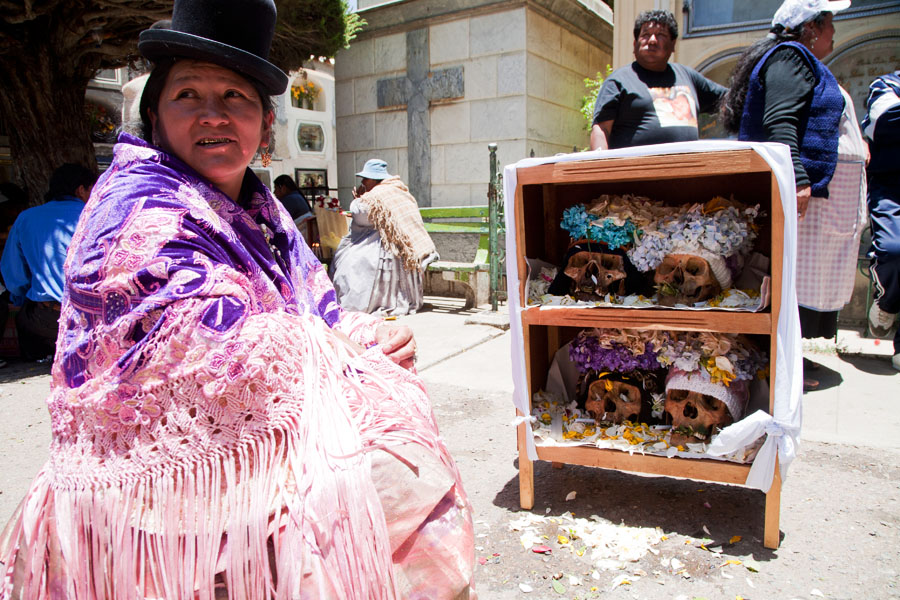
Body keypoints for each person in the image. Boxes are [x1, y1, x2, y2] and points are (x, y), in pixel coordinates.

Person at [0, 0, 474, 596]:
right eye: (188, 95)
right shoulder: (137, 206)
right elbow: (201, 342)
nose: (212, 116)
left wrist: (364, 333)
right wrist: (333, 350)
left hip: (251, 468)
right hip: (154, 494)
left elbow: (312, 306)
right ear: (155, 114)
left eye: (235, 98)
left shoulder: (261, 207)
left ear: (264, 124)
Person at [721, 0, 865, 392]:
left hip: (803, 192)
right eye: (831, 22)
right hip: (794, 188)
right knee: (781, 282)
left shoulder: (796, 58)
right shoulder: (790, 57)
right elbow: (780, 120)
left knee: (789, 283)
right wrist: (798, 179)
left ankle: (782, 363)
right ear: (812, 27)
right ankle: (775, 370)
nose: (836, 31)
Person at [589, 9, 727, 151]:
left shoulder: (687, 76)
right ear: (635, 44)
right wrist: (600, 166)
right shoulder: (618, 81)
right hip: (639, 171)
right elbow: (601, 129)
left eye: (660, 35)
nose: (652, 40)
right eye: (645, 35)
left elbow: (728, 100)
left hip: (687, 170)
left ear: (673, 44)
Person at [0, 164, 96, 361]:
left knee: (26, 320)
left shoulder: (26, 218)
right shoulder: (97, 215)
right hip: (95, 319)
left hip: (46, 319)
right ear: (80, 190)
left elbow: (14, 276)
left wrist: (20, 299)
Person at [329, 159, 438, 316]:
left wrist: (358, 200)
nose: (363, 182)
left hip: (394, 246)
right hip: (400, 243)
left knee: (354, 261)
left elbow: (362, 216)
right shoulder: (398, 190)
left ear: (374, 179)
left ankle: (365, 303)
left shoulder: (377, 195)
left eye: (366, 179)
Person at [861, 70, 900, 370]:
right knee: (892, 250)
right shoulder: (887, 85)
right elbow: (881, 125)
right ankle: (886, 302)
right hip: (890, 184)